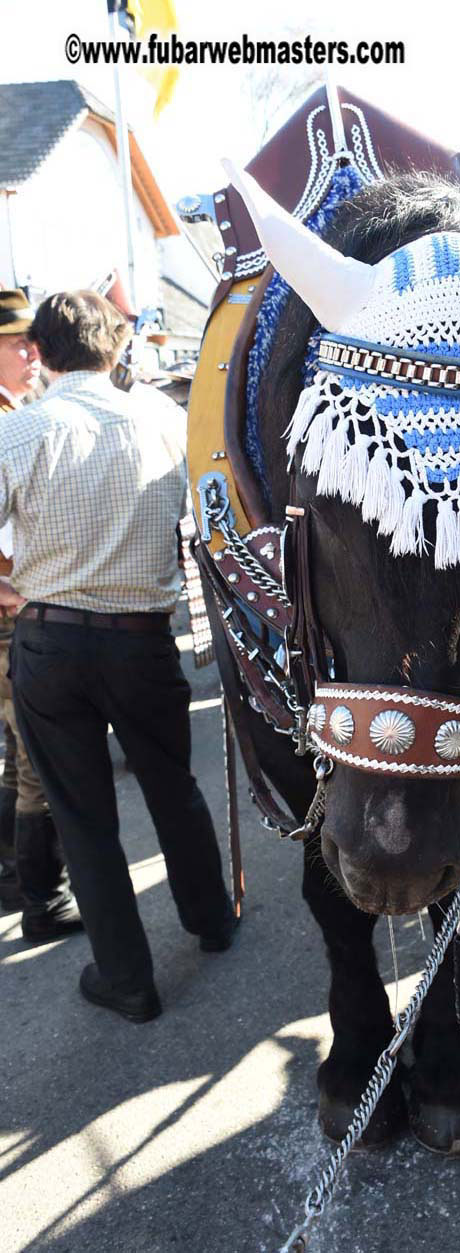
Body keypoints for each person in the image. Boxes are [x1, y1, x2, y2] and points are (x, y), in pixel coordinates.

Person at [2, 290, 235, 1023]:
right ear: (115, 348)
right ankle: (212, 918)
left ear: (42, 351)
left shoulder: (20, 429)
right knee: (172, 785)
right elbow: (213, 518)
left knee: (84, 816)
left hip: (50, 637)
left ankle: (127, 978)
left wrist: (11, 589)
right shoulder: (164, 418)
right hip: (139, 637)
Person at [0, 289, 80, 937]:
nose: (31, 354)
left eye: (32, 343)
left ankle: (12, 874)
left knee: (17, 750)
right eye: (15, 344)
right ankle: (43, 903)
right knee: (38, 760)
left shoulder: (18, 410)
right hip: (11, 615)